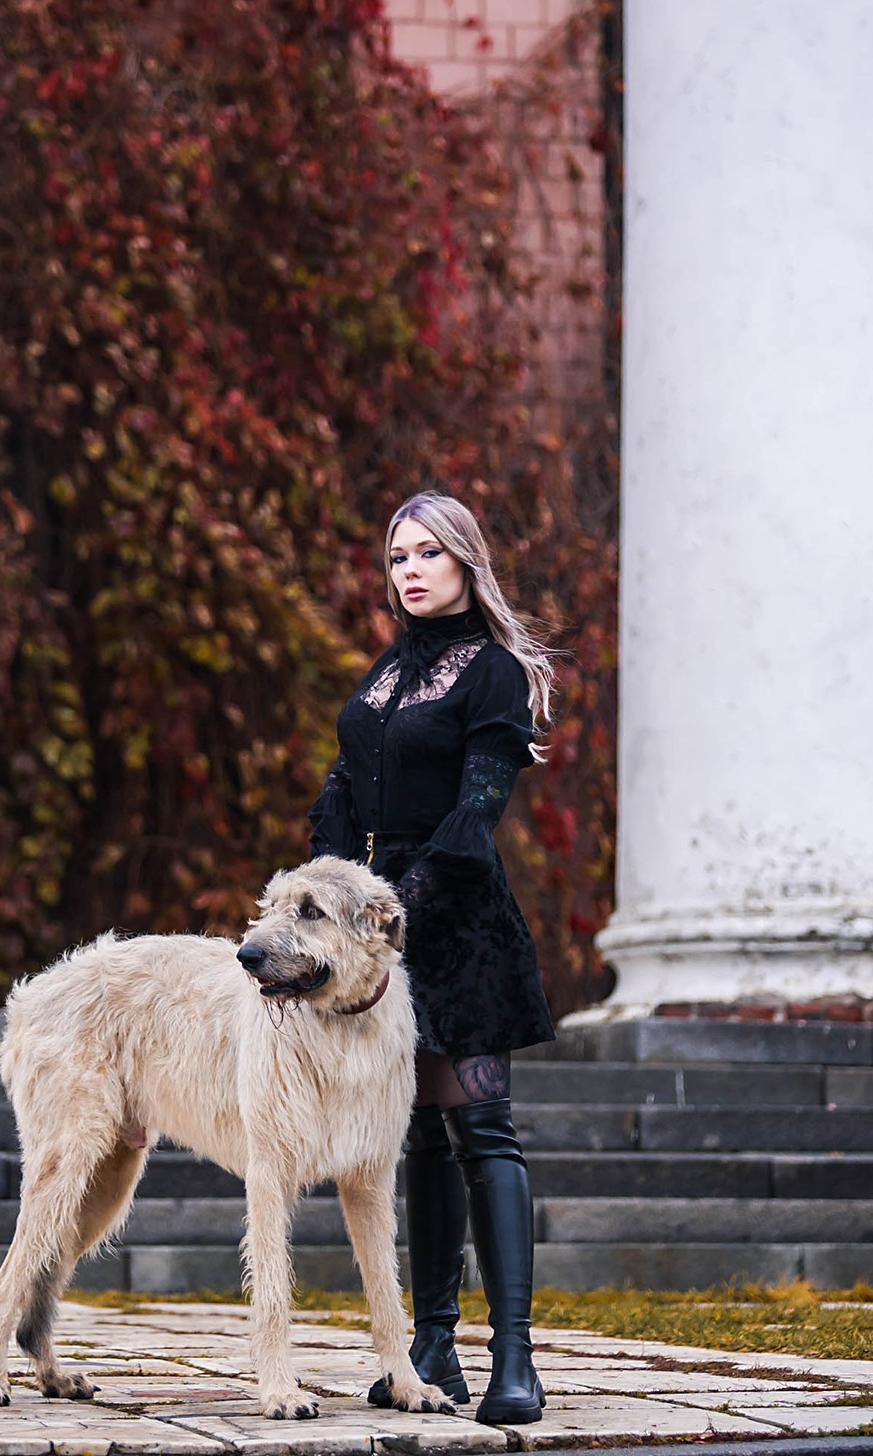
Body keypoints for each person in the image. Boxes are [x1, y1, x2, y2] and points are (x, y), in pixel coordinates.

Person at [308, 490, 556, 1426]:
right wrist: (328, 886)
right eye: (398, 556)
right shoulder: (384, 677)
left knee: (481, 1131)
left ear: (466, 562)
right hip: (378, 937)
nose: (410, 570)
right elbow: (343, 787)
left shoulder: (488, 674)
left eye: (428, 554)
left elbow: (478, 808)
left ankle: (515, 1360)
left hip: (456, 930)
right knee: (412, 1135)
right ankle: (432, 1346)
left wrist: (397, 907)